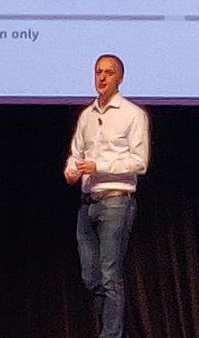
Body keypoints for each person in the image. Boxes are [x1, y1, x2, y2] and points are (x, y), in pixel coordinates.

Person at [64, 53, 149, 338]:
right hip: (88, 202)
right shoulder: (87, 116)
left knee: (110, 275)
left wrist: (99, 166)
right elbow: (76, 153)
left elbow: (140, 162)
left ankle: (111, 335)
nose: (101, 78)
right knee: (91, 277)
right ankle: (111, 330)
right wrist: (71, 170)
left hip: (116, 201)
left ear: (120, 78)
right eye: (98, 72)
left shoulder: (132, 114)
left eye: (108, 73)